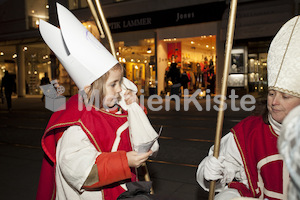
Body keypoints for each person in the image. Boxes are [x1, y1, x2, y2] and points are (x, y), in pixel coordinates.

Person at [36, 4, 153, 200]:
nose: (119, 89)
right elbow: (80, 171)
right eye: (114, 84)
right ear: (90, 90)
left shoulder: (116, 108)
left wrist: (134, 108)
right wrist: (124, 162)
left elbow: (142, 139)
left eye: (120, 82)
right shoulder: (76, 125)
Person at [196, 15, 300, 200]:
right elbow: (220, 169)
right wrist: (208, 171)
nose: (274, 102)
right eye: (271, 93)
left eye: (285, 96)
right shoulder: (249, 131)